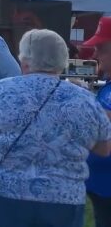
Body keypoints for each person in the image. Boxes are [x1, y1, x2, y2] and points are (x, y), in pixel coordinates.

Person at [0, 29, 111, 227]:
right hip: (62, 199)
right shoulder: (84, 99)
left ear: (24, 60)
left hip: (3, 195)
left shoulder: (0, 89)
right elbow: (103, 149)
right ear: (63, 61)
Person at [72, 18, 111, 227]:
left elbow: (98, 126)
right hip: (100, 185)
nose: (95, 55)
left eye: (101, 49)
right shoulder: (107, 86)